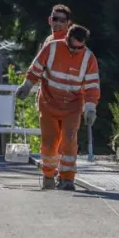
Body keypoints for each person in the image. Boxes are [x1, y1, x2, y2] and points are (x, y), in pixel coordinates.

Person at [16, 24, 99, 191]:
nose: (76, 51)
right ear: (66, 39)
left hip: (72, 107)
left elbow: (92, 85)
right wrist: (26, 86)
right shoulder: (51, 48)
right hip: (49, 104)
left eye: (80, 48)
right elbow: (36, 69)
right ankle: (48, 175)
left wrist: (90, 108)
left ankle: (67, 179)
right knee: (49, 142)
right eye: (73, 47)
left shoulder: (88, 58)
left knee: (69, 141)